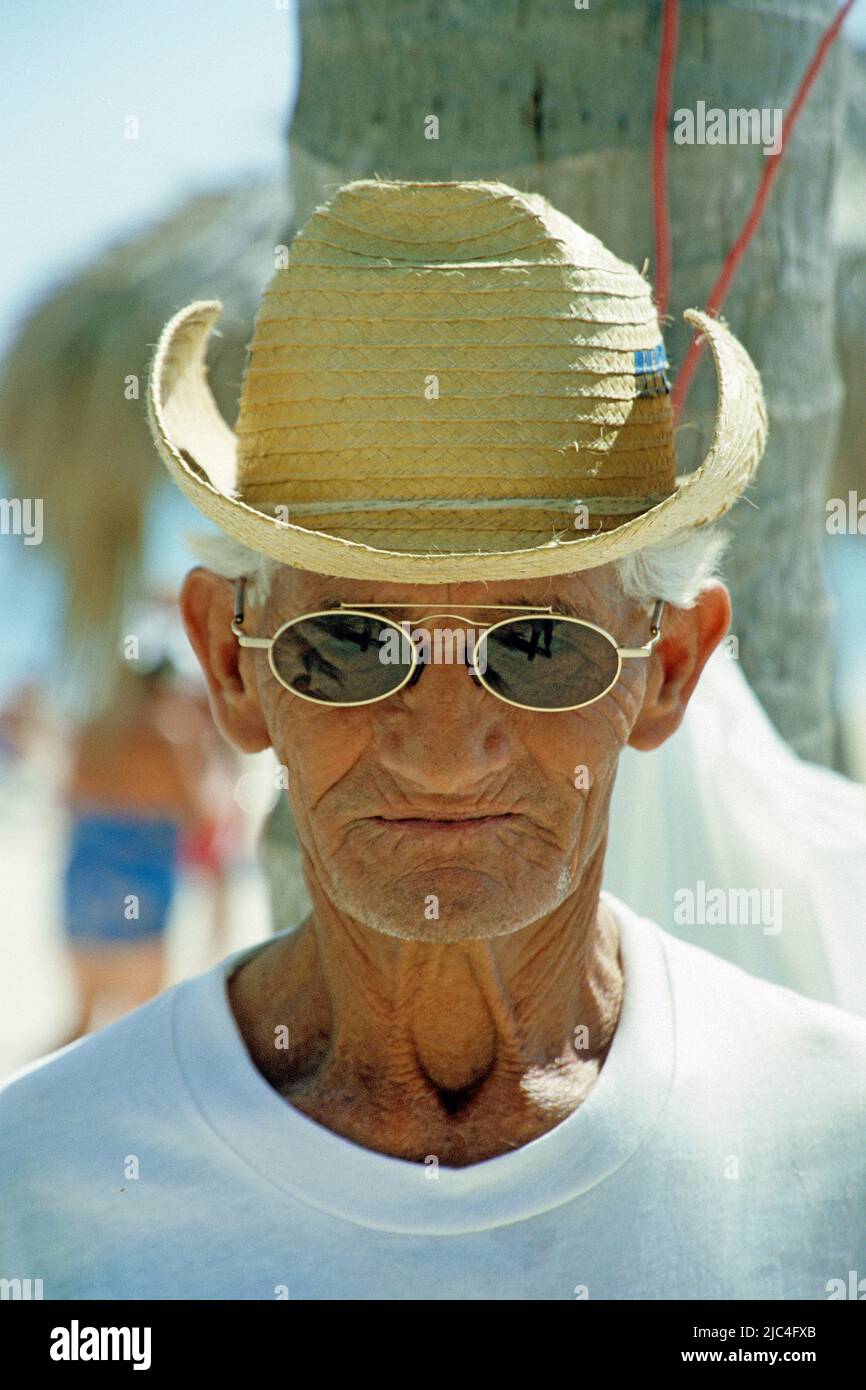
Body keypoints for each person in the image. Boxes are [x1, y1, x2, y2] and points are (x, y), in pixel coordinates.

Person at [1, 179, 863, 1300]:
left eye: (540, 647)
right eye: (351, 641)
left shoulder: (833, 1153)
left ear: (666, 671)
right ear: (228, 663)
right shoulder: (37, 1201)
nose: (445, 751)